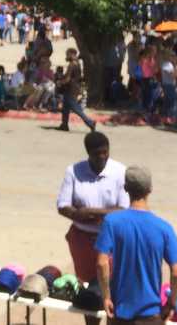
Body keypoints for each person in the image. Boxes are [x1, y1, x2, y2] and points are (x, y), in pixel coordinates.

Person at [96, 166, 177, 324]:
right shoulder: (163, 227)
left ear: (126, 189)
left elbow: (102, 263)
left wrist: (106, 296)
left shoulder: (112, 222)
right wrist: (172, 302)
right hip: (150, 315)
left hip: (120, 313)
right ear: (150, 189)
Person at [57, 132, 129, 325]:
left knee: (113, 290)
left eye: (105, 152)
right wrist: (85, 215)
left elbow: (123, 209)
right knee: (90, 292)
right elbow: (63, 206)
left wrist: (88, 212)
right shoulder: (73, 171)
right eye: (97, 153)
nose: (102, 157)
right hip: (82, 241)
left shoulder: (120, 171)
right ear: (88, 153)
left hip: (112, 241)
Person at [57, 48, 96, 132]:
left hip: (71, 89)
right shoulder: (77, 63)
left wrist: (60, 82)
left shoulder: (72, 65)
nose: (66, 56)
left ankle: (90, 122)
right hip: (74, 88)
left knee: (76, 109)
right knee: (65, 108)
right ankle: (64, 124)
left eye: (67, 54)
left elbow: (68, 79)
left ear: (71, 54)